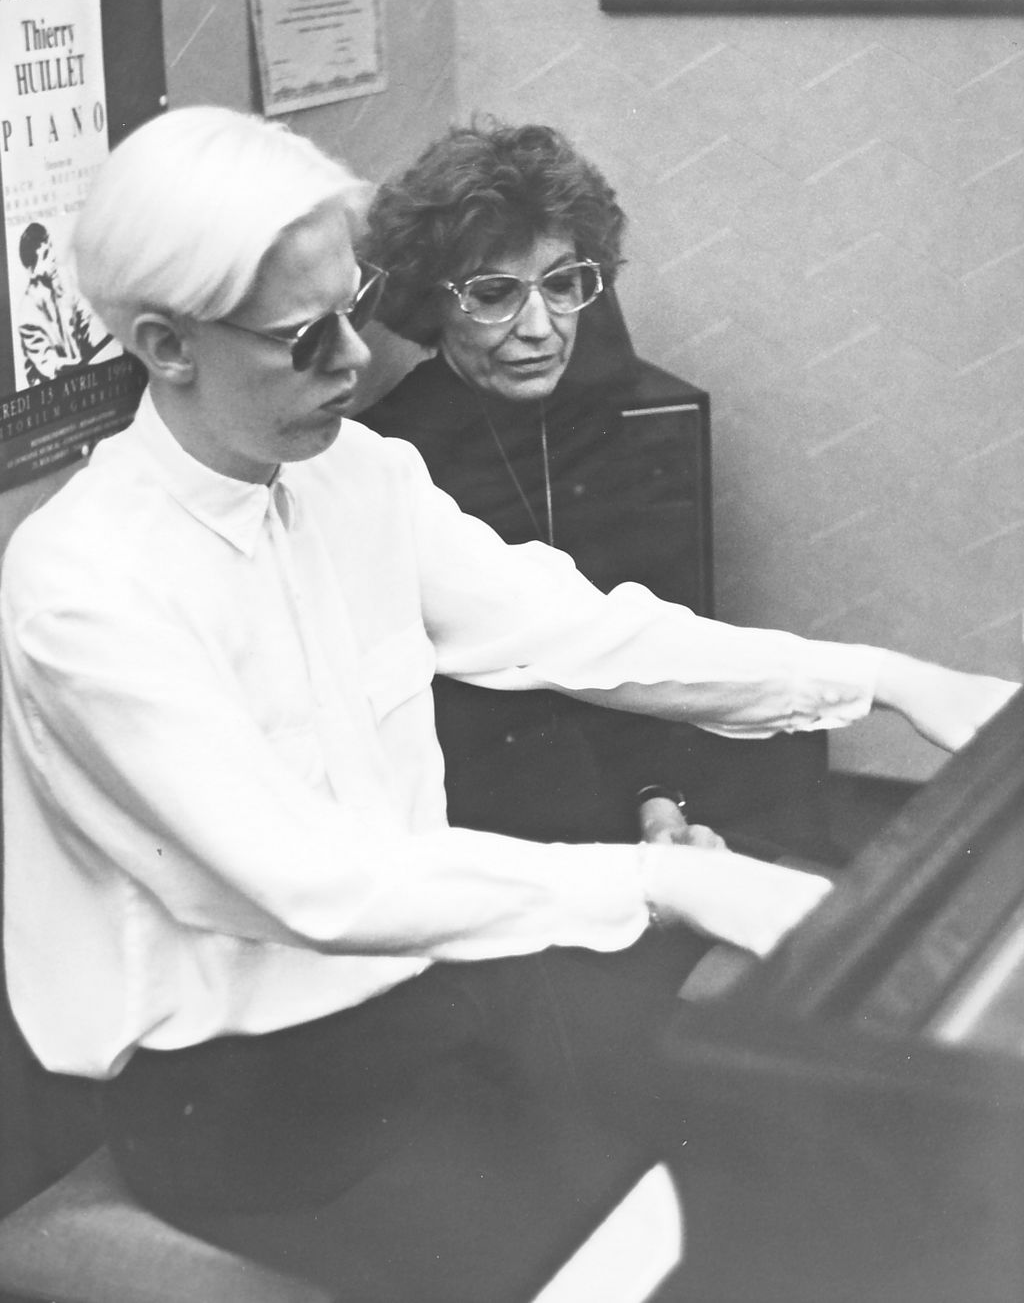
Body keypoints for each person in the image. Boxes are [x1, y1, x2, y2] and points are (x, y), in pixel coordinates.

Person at [1, 105, 1014, 1303]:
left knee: (784, 1164)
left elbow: (580, 632)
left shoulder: (356, 475)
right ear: (167, 345)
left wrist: (893, 680)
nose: (355, 360)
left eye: (352, 307)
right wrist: (666, 882)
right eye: (303, 337)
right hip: (251, 1104)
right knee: (638, 1261)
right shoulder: (81, 589)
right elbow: (311, 881)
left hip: (439, 1002)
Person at [358, 120, 816, 857]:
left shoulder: (604, 426)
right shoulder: (388, 457)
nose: (540, 328)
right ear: (431, 302)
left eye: (563, 285)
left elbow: (637, 637)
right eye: (495, 294)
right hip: (480, 808)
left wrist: (660, 805)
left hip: (619, 784)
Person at [17, 222, 112, 386]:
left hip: (82, 376)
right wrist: (79, 366)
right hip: (51, 388)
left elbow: (85, 321)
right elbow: (49, 366)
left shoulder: (64, 277)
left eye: (51, 248)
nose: (53, 256)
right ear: (32, 271)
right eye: (46, 254)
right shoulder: (27, 315)